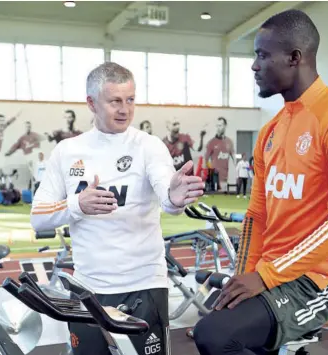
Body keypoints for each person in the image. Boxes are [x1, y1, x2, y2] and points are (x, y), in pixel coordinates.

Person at [193, 9, 328, 355]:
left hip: (315, 281)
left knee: (214, 336)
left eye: (262, 55)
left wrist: (265, 277)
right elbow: (256, 216)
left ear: (295, 58)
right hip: (270, 274)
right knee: (221, 326)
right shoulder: (271, 131)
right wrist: (243, 278)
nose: (254, 65)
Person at [31, 62, 205, 355]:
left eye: (130, 99)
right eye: (115, 101)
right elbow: (39, 218)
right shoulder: (67, 151)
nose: (125, 109)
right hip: (88, 288)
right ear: (91, 103)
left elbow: (166, 192)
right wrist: (77, 204)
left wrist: (174, 198)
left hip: (144, 285)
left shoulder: (148, 146)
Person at [204, 117, 235, 191]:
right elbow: (206, 160)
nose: (218, 128)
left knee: (224, 198)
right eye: (217, 126)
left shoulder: (229, 142)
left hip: (225, 178)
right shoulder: (211, 142)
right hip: (215, 177)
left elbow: (234, 158)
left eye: (220, 125)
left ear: (225, 126)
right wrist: (209, 172)